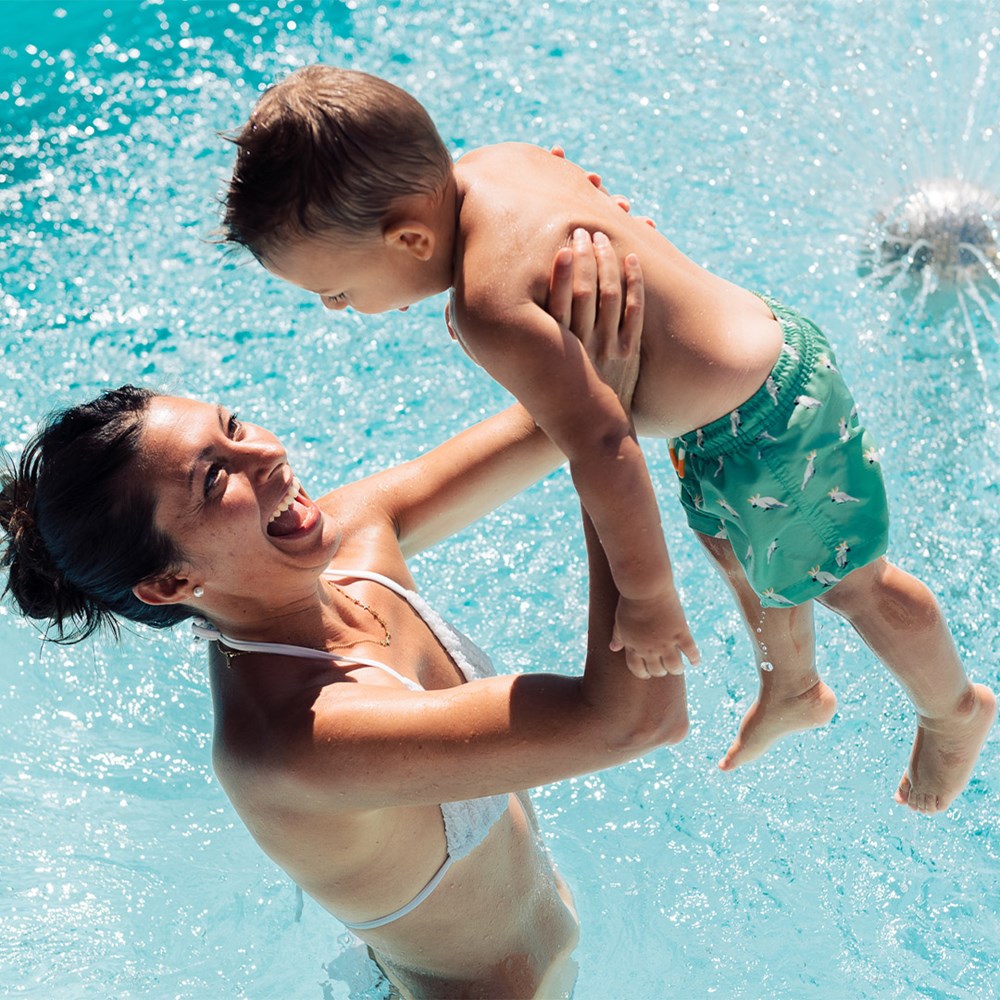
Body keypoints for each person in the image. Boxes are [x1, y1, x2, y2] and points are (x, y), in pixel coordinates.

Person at [219, 65, 994, 814]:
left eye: (337, 289)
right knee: (740, 544)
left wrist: (649, 600)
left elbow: (603, 446)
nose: (331, 306)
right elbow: (586, 202)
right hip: (738, 381)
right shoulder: (501, 163)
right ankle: (793, 686)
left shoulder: (489, 308)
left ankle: (952, 709)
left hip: (763, 418)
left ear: (412, 240)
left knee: (851, 582)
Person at [0, 240, 687, 998]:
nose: (264, 454)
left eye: (233, 425)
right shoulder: (297, 745)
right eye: (215, 476)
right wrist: (606, 448)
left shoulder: (353, 531)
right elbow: (635, 720)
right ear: (170, 580)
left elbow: (561, 419)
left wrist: (582, 295)